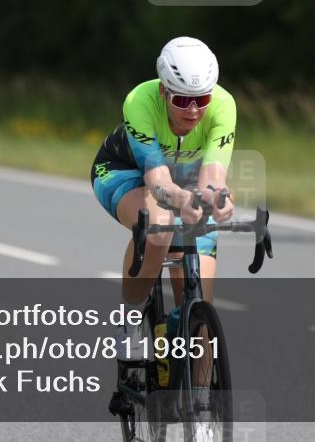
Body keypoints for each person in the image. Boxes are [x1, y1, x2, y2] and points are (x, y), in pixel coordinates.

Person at [91, 36, 236, 363]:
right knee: (159, 226)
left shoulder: (224, 105)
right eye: (182, 100)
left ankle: (197, 391)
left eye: (202, 99)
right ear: (163, 91)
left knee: (201, 313)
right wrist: (182, 200)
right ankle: (131, 321)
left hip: (185, 176)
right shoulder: (140, 101)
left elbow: (214, 175)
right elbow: (157, 180)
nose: (194, 110)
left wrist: (218, 198)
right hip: (127, 171)